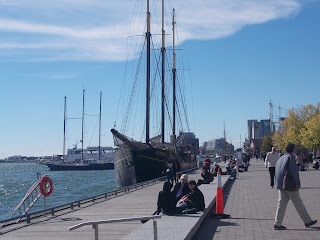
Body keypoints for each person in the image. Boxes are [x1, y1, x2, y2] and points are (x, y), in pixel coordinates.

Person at [274, 142, 317, 230]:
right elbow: (294, 173)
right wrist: (297, 184)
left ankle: (277, 223)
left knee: (281, 204)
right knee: (298, 202)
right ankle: (307, 221)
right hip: (290, 185)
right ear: (293, 150)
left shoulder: (281, 158)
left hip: (281, 184)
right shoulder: (291, 158)